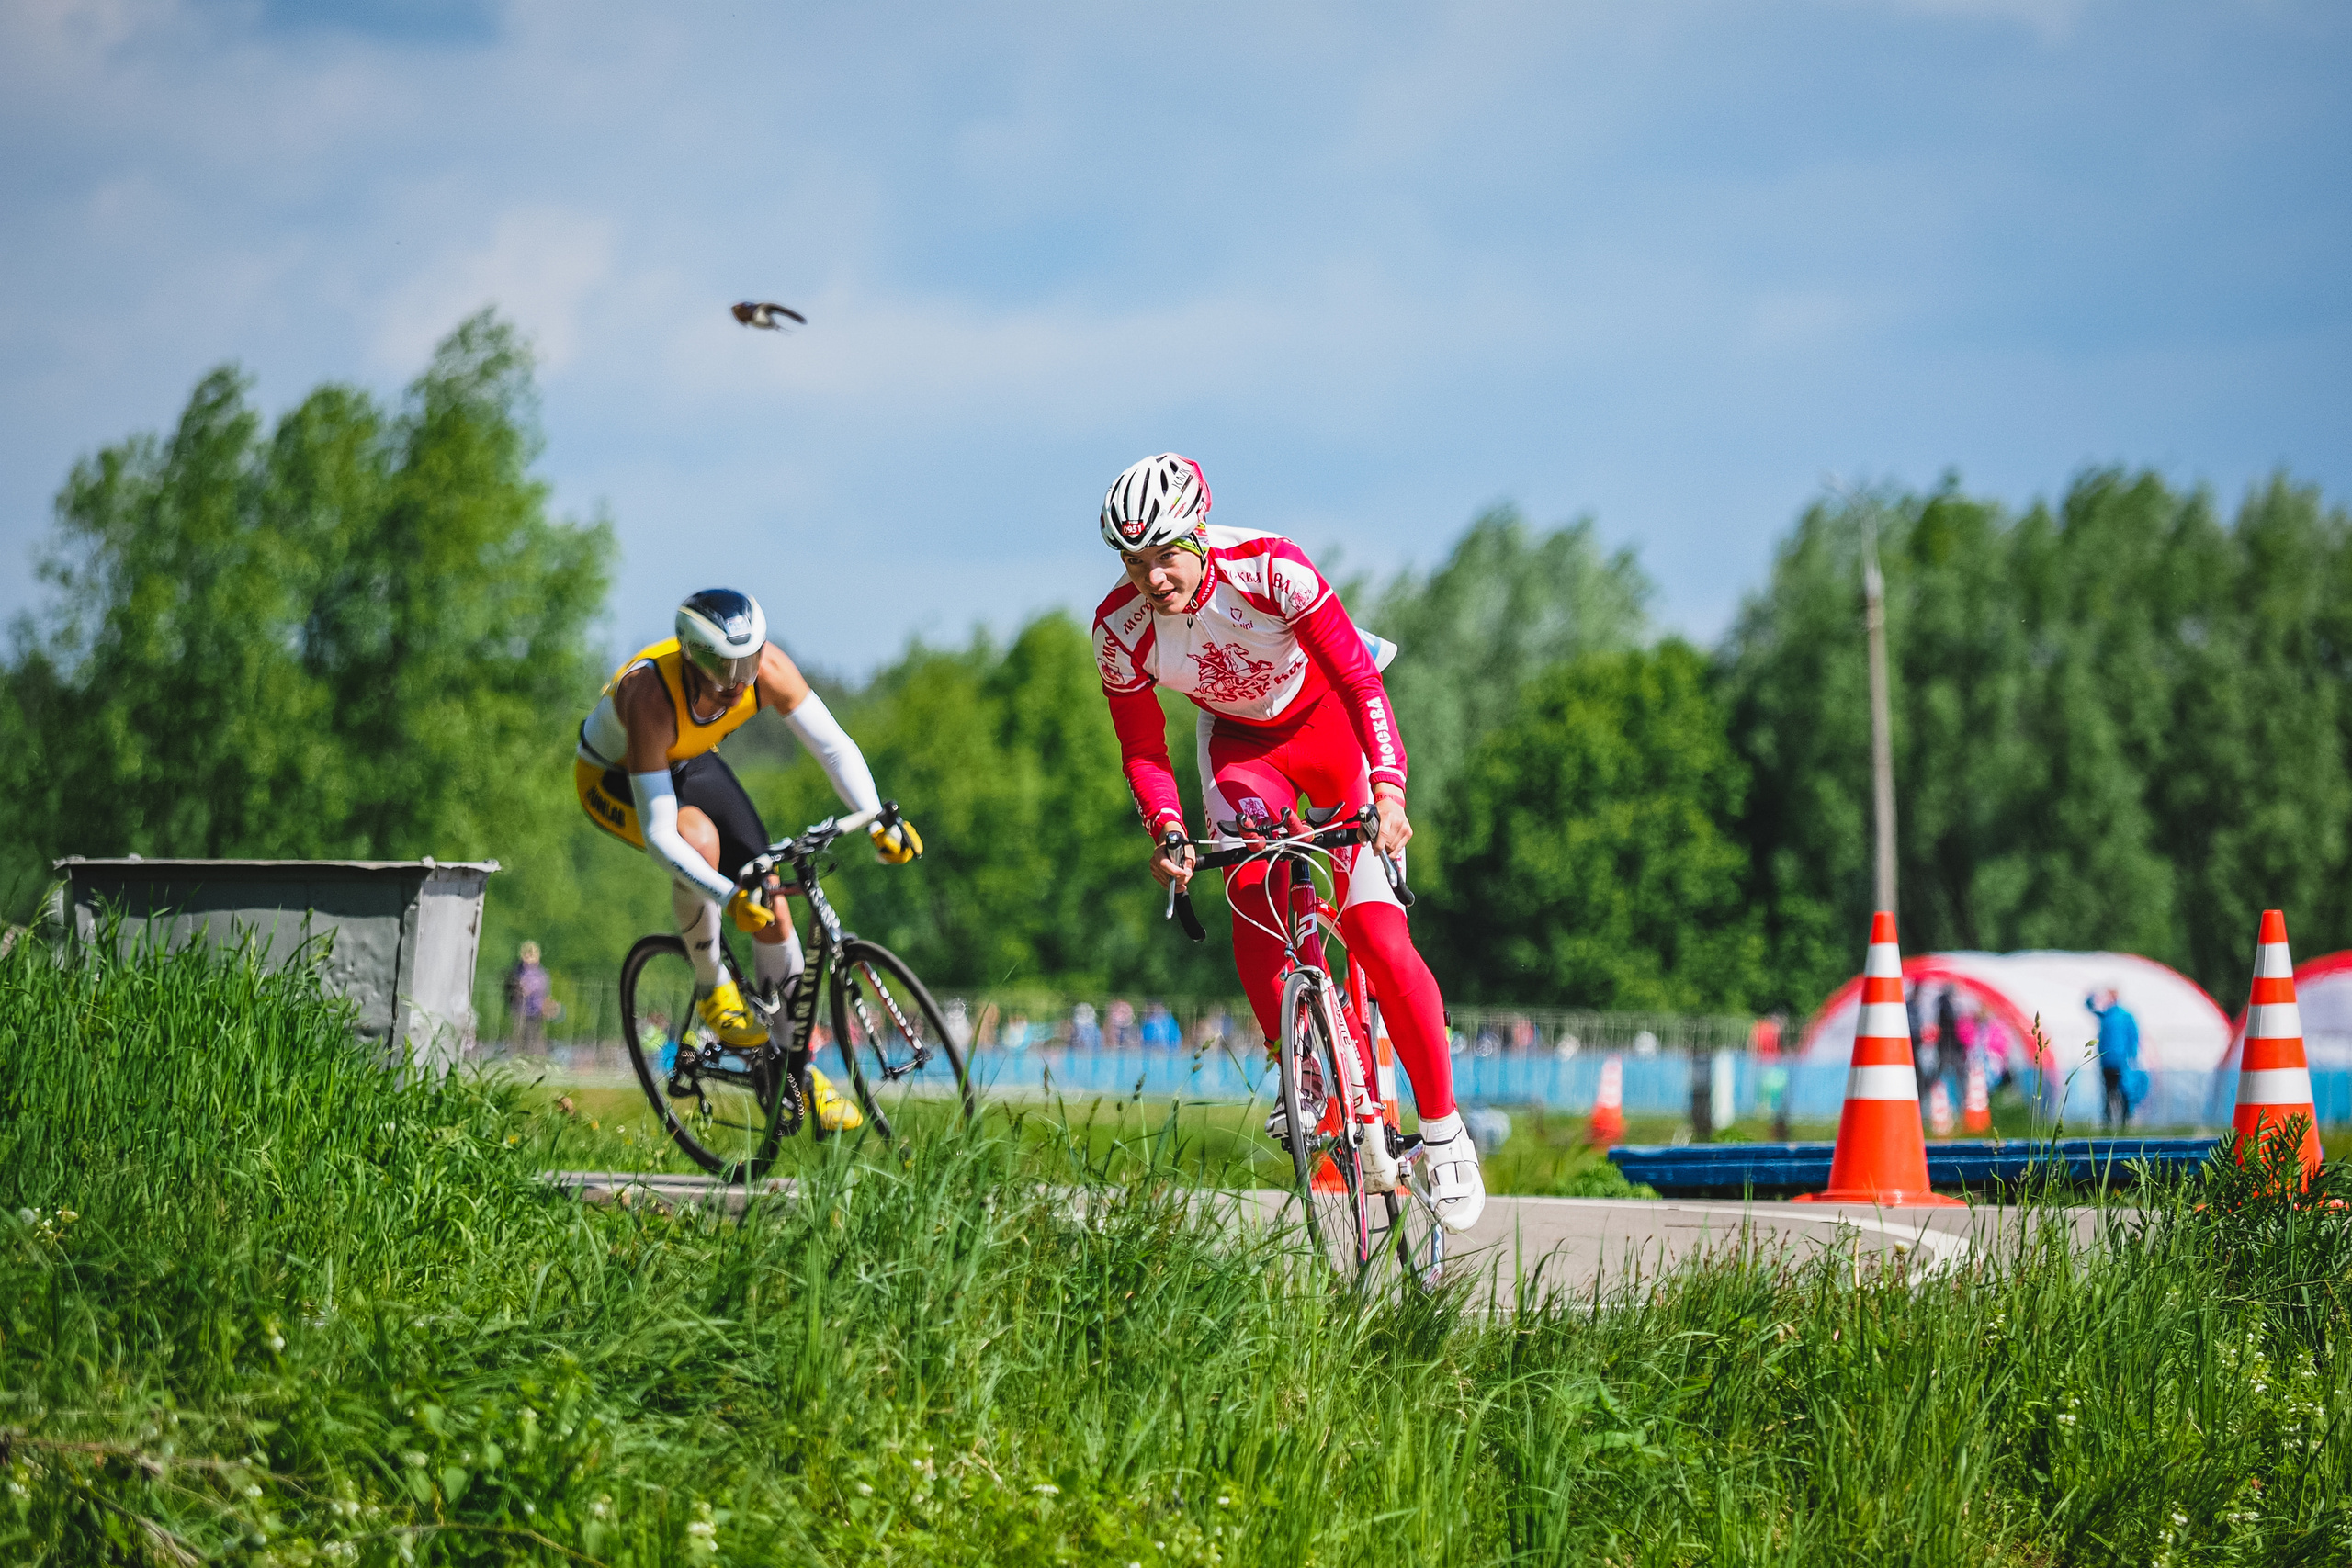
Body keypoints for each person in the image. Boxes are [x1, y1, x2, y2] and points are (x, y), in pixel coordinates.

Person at [1090, 452, 1483, 1231]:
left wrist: (1389, 788)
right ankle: (1298, 1066)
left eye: (1166, 555)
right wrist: (1168, 827)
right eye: (1135, 563)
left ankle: (1444, 1134)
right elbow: (1142, 746)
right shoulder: (1119, 629)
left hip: (1328, 723)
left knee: (1376, 932)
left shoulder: (1272, 568)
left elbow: (1362, 682)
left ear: (1200, 533)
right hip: (1240, 745)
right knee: (1248, 882)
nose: (1153, 578)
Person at [574, 588, 922, 1132]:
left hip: (689, 761)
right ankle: (713, 984)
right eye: (723, 664)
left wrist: (877, 816)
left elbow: (833, 746)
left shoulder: (769, 669)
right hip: (613, 776)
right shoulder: (649, 695)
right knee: (699, 841)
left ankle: (797, 1073)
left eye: (750, 659)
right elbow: (662, 833)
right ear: (691, 656)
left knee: (774, 897)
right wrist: (728, 897)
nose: (741, 679)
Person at [2089, 986, 2142, 1130]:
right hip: (2106, 1060)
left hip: (2120, 1061)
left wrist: (2133, 1056)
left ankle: (2125, 1119)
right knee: (2107, 1091)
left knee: (2123, 1091)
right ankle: (2108, 1121)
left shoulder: (2125, 1016)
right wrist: (2094, 995)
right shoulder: (2106, 1014)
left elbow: (2134, 1036)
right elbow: (2089, 1005)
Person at [504, 940, 552, 1052]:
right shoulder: (518, 970)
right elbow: (517, 989)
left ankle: (534, 1062)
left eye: (532, 955)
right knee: (520, 1041)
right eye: (526, 955)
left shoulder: (541, 973)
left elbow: (543, 991)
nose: (528, 958)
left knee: (535, 1041)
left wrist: (546, 1007)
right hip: (521, 1011)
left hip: (536, 1012)